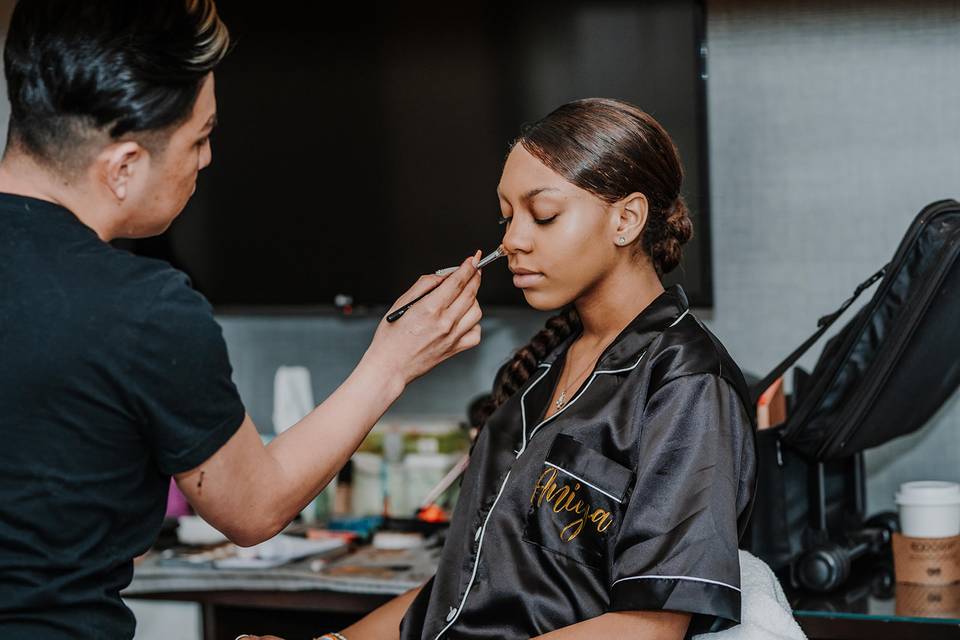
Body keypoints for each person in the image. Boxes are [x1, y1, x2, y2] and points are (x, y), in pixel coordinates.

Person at [0, 1, 482, 638]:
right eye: (199, 138)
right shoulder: (142, 308)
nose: (206, 160)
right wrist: (394, 361)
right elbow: (251, 508)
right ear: (123, 166)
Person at [252, 98, 759, 640]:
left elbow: (648, 627)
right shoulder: (537, 370)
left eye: (543, 215)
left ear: (626, 219)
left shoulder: (686, 383)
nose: (512, 240)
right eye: (507, 217)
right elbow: (464, 590)